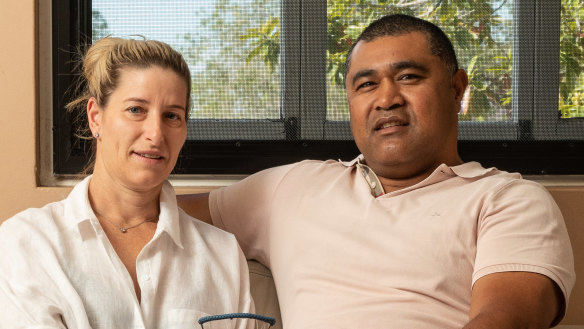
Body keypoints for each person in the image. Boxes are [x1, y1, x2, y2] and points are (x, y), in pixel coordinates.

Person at [177, 14, 576, 329]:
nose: (386, 99)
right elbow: (144, 214)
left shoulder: (508, 201)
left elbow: (506, 320)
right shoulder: (291, 187)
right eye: (366, 84)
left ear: (457, 89)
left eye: (407, 77)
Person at [0, 37, 253, 328]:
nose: (156, 133)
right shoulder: (27, 242)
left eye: (172, 115)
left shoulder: (223, 255)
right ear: (96, 117)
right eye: (136, 110)